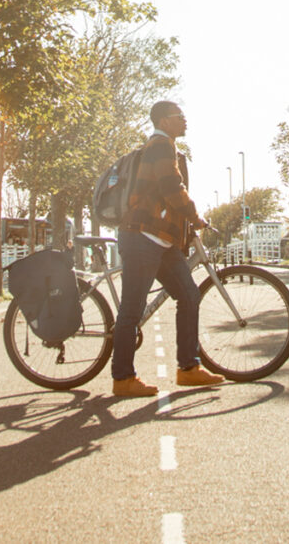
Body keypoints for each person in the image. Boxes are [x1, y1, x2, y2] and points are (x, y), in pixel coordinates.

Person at [111, 101, 225, 396]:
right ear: (164, 120)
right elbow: (171, 187)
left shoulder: (165, 145)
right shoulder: (161, 145)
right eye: (180, 116)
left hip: (161, 240)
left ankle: (189, 368)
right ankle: (123, 378)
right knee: (132, 309)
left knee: (189, 295)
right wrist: (194, 215)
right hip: (142, 237)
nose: (185, 120)